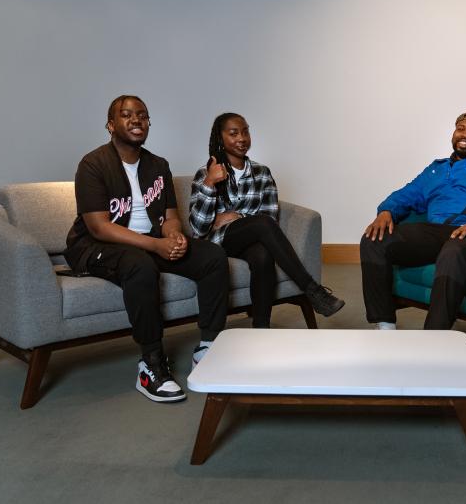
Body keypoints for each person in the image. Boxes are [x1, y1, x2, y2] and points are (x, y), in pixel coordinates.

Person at [64, 95, 230, 404]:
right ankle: (151, 365)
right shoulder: (93, 164)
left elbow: (169, 217)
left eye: (142, 115)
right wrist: (157, 244)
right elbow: (99, 226)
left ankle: (208, 347)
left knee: (213, 257)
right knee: (141, 265)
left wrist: (175, 237)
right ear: (111, 125)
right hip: (97, 246)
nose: (136, 119)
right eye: (127, 115)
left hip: (149, 241)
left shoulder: (157, 165)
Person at [361, 110, 466, 330]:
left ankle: (435, 335)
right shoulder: (436, 169)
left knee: (454, 248)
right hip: (440, 231)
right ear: (453, 133)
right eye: (461, 129)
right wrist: (387, 211)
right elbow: (408, 193)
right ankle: (385, 326)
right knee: (375, 238)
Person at [189, 112, 344, 327]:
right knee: (260, 224)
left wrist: (236, 216)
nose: (242, 138)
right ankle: (312, 290)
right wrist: (210, 183)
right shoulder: (204, 174)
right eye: (233, 133)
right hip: (217, 243)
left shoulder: (262, 173)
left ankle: (261, 328)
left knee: (262, 255)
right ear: (220, 138)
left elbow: (269, 219)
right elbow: (198, 228)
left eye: (245, 131)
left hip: (251, 238)